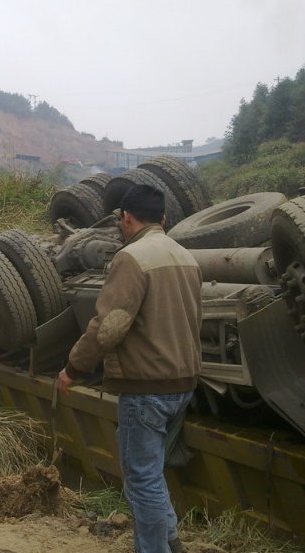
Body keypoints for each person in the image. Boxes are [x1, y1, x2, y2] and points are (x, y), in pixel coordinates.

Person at [56, 184, 202, 553]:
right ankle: (170, 539)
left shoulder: (132, 258)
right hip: (183, 382)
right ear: (164, 218)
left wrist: (73, 368)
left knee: (140, 479)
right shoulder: (186, 256)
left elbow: (110, 326)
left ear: (126, 218)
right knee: (150, 474)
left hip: (146, 386)